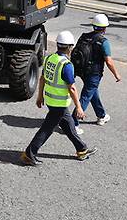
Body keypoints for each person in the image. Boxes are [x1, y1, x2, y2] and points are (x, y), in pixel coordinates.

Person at [21, 31, 97, 166]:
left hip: (51, 101)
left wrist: (39, 96)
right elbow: (72, 88)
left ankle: (82, 149)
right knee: (47, 129)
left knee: (68, 126)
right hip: (59, 103)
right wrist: (79, 107)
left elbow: (42, 78)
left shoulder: (49, 58)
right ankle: (29, 154)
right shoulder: (66, 65)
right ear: (70, 47)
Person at [72, 14, 121, 134]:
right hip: (94, 73)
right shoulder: (103, 41)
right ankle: (73, 123)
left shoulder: (84, 36)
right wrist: (116, 74)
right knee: (85, 96)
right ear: (105, 28)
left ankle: (101, 116)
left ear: (93, 26)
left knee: (92, 92)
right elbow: (108, 61)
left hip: (81, 70)